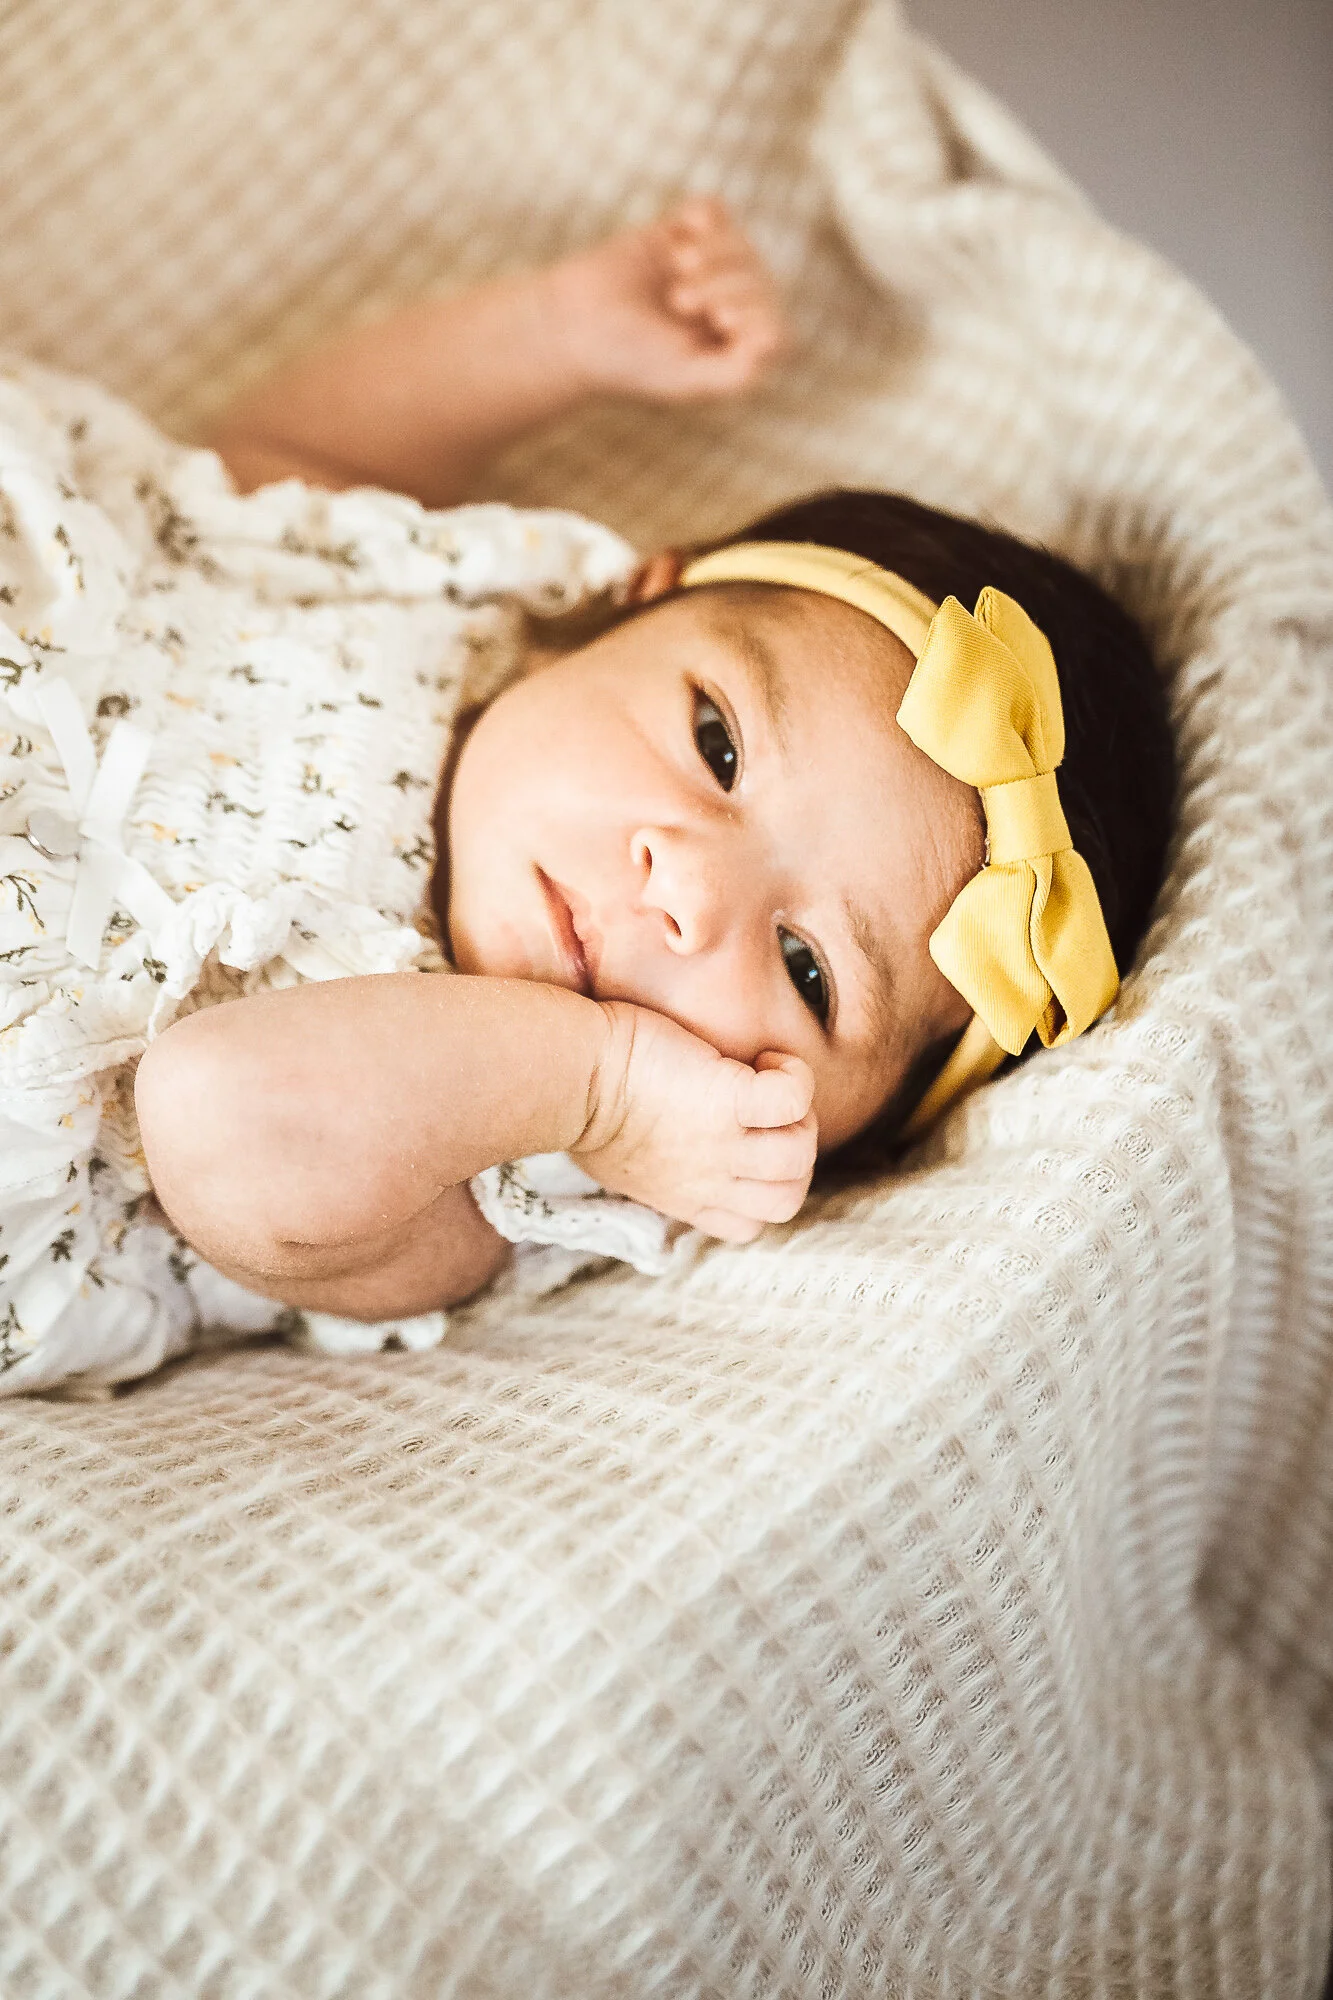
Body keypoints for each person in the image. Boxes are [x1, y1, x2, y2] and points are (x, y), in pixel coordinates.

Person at [0, 199, 1173, 1393]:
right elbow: (280, 455)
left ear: (823, 1144)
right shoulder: (442, 604)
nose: (690, 888)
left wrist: (604, 1086)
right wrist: (558, 333)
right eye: (716, 742)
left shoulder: (491, 1176)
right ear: (629, 603)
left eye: (808, 966)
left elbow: (214, 1106)